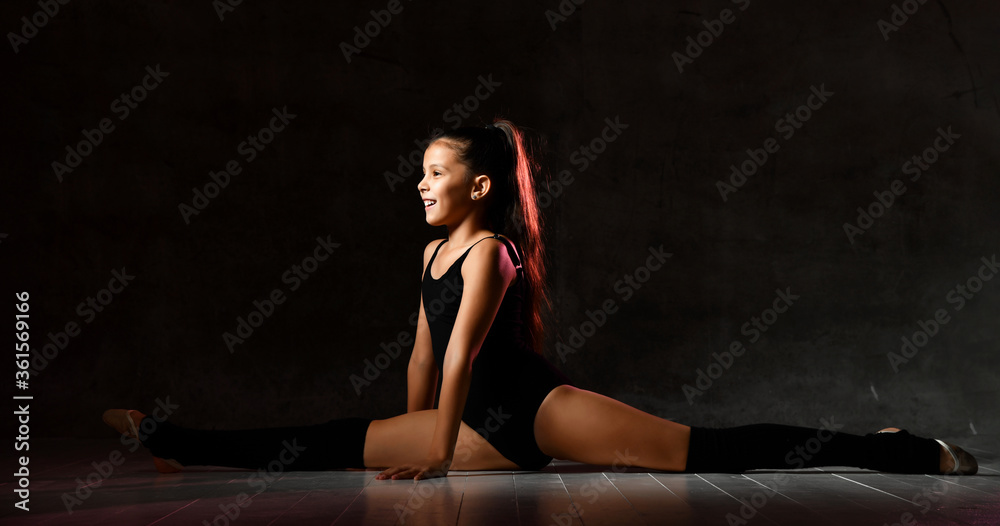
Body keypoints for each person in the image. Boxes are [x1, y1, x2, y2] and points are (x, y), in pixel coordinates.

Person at [103, 119, 977, 480]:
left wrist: (435, 449)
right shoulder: (432, 249)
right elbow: (417, 356)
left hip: (535, 410)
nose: (421, 185)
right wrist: (411, 441)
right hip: (469, 425)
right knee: (335, 443)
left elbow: (462, 354)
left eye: (436, 174)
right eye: (419, 173)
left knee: (707, 454)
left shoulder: (492, 251)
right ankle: (172, 439)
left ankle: (898, 452)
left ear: (480, 185)